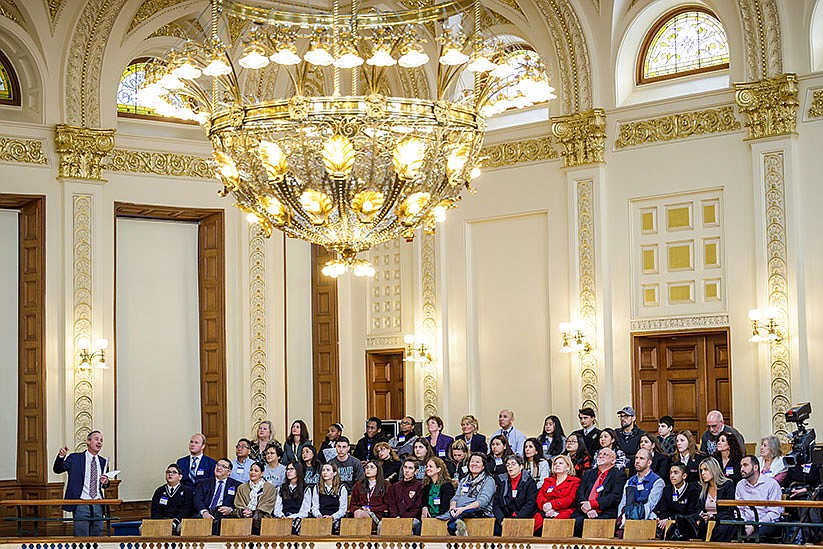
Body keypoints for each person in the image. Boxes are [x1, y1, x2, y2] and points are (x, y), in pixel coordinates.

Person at [52, 430, 111, 536]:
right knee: (81, 538)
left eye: (101, 440)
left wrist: (105, 482)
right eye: (96, 439)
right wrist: (61, 457)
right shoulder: (75, 458)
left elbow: (104, 484)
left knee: (97, 538)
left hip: (98, 504)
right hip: (81, 504)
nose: (99, 442)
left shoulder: (103, 462)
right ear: (88, 441)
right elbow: (58, 469)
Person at [571, 447, 627, 537]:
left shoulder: (619, 475)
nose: (601, 456)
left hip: (604, 511)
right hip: (585, 511)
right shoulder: (589, 473)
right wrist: (587, 508)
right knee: (575, 521)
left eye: (605, 454)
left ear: (613, 460)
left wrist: (593, 504)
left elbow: (615, 497)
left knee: (597, 525)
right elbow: (580, 492)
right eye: (599, 454)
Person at [442, 453, 496, 535]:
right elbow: (455, 498)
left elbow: (482, 501)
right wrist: (452, 508)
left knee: (456, 520)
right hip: (459, 511)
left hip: (480, 512)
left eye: (477, 462)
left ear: (484, 466)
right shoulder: (464, 480)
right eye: (472, 461)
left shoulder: (489, 480)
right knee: (443, 517)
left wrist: (463, 509)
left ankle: (458, 529)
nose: (474, 464)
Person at [736, 455, 783, 539]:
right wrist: (745, 524)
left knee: (757, 536)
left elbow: (774, 513)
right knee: (728, 530)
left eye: (745, 465)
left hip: (767, 522)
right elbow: (740, 509)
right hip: (746, 522)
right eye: (741, 466)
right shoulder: (740, 485)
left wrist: (756, 525)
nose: (742, 469)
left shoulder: (771, 484)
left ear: (755, 467)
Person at [654, 462, 701, 540]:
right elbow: (664, 510)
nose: (672, 476)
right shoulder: (667, 490)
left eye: (676, 473)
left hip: (686, 527)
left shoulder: (693, 490)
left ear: (684, 476)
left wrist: (669, 519)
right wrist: (661, 519)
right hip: (668, 525)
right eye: (670, 473)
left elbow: (690, 513)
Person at [193, 458, 242, 534]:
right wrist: (204, 512)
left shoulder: (237, 485)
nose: (219, 468)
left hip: (223, 515)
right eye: (218, 465)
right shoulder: (204, 483)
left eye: (223, 466)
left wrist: (231, 509)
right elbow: (197, 500)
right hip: (206, 512)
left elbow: (239, 503)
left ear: (229, 472)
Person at [534, 454, 581, 532]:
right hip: (546, 511)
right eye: (555, 464)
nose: (557, 465)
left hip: (564, 511)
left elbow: (571, 499)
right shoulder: (548, 481)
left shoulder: (575, 481)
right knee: (534, 525)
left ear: (568, 467)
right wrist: (545, 505)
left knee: (553, 528)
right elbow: (540, 496)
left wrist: (552, 504)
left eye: (560, 463)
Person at [693, 457, 736, 542]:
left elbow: (729, 510)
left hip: (722, 522)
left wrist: (712, 516)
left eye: (706, 470)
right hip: (704, 521)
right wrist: (703, 514)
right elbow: (697, 507)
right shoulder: (702, 487)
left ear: (714, 470)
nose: (703, 473)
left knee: (723, 527)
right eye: (701, 470)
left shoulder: (727, 485)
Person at [493, 455, 538, 535]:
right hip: (505, 518)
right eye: (508, 465)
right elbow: (496, 503)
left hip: (523, 518)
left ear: (521, 466)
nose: (510, 467)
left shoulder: (529, 482)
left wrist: (517, 520)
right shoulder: (502, 481)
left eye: (513, 464)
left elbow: (530, 503)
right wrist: (502, 520)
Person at [617, 449, 664, 524]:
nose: (637, 461)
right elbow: (623, 503)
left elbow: (650, 505)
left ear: (649, 462)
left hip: (647, 520)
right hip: (627, 520)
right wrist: (621, 519)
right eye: (636, 458)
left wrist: (636, 521)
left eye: (641, 458)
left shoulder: (657, 481)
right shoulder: (629, 481)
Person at [234, 462, 277, 533]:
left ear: (262, 473)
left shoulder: (270, 487)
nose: (252, 472)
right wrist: (244, 511)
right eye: (251, 470)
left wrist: (254, 513)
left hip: (263, 520)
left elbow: (269, 504)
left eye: (256, 471)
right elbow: (239, 503)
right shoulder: (241, 487)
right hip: (244, 520)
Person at [150, 463, 194, 532]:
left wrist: (175, 522)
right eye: (168, 472)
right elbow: (155, 510)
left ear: (180, 477)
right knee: (142, 528)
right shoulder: (159, 491)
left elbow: (187, 510)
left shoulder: (187, 491)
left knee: (182, 528)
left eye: (174, 472)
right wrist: (160, 523)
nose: (170, 474)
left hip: (179, 521)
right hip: (162, 521)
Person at [349, 460, 390, 529]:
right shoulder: (359, 485)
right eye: (367, 467)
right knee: (357, 513)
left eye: (372, 467)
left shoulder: (386, 485)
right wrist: (360, 509)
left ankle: (359, 538)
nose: (368, 469)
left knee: (358, 514)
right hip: (360, 513)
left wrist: (371, 509)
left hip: (377, 516)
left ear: (378, 470)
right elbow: (352, 505)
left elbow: (387, 505)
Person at [273, 462, 312, 534]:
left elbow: (305, 511)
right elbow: (277, 508)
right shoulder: (281, 488)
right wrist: (281, 515)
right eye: (287, 469)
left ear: (298, 470)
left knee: (294, 527)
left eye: (291, 469)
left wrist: (291, 517)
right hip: (283, 516)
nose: (288, 472)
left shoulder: (305, 489)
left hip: (297, 516)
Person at [311, 462, 348, 533]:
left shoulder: (341, 487)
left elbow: (343, 509)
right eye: (323, 470)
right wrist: (319, 516)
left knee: (335, 526)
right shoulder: (317, 487)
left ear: (334, 473)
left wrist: (332, 517)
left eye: (328, 470)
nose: (325, 472)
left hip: (335, 517)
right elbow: (315, 507)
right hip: (320, 517)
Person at [616, 406, 645, 474]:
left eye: (626, 416)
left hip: (634, 467)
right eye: (621, 416)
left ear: (634, 418)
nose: (622, 419)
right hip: (618, 467)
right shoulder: (616, 433)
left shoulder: (641, 434)